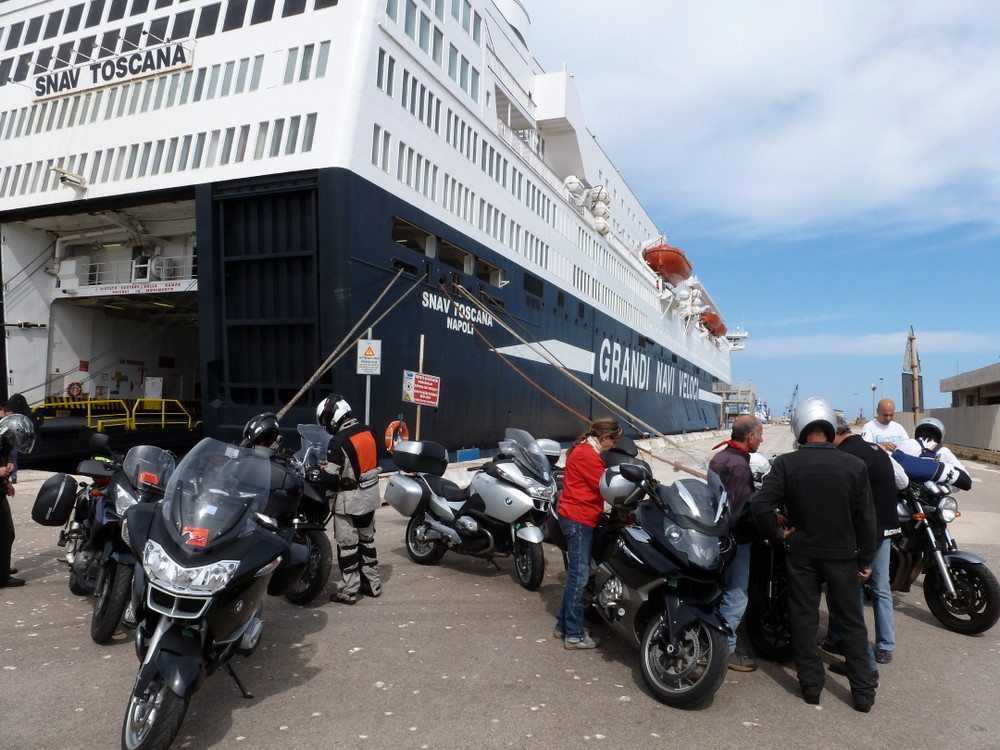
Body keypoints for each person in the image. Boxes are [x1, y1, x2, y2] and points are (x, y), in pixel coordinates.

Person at [751, 398, 877, 711]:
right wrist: (866, 560)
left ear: (800, 428)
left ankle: (811, 688)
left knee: (804, 620)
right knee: (851, 623)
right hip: (843, 555)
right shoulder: (854, 465)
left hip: (802, 555)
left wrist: (778, 533)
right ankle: (863, 694)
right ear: (829, 427)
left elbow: (760, 505)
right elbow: (866, 519)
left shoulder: (786, 464)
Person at [823, 416, 908, 667]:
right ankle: (885, 646)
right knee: (881, 589)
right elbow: (901, 481)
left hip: (861, 533)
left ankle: (853, 647)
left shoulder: (847, 456)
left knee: (851, 591)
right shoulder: (876, 450)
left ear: (834, 434)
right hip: (886, 529)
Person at [554, 417, 623, 650]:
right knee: (579, 577)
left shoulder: (583, 450)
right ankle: (573, 635)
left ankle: (563, 625)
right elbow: (605, 487)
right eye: (613, 442)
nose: (613, 447)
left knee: (576, 574)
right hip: (579, 519)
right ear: (604, 438)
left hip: (574, 516)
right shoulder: (588, 456)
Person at [709, 414, 764, 672]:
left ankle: (711, 639)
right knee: (737, 595)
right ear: (750, 436)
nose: (762, 440)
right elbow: (742, 510)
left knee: (720, 590)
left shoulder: (719, 458)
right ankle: (726, 649)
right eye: (760, 435)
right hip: (737, 539)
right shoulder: (740, 466)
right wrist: (770, 526)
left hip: (716, 535)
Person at [317, 394, 382, 605]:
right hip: (370, 497)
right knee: (367, 541)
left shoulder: (338, 442)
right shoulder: (370, 431)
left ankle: (349, 591)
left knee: (348, 547)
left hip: (349, 502)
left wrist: (321, 471)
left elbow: (331, 477)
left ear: (333, 418)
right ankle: (373, 585)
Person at [0, 414, 36, 588]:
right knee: (4, 533)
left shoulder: (3, 442)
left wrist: (6, 481)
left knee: (6, 533)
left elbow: (4, 459)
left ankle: (2, 570)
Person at [2, 393, 31, 483]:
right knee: (11, 456)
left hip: (11, 438)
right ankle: (11, 477)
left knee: (12, 456)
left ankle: (12, 477)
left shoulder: (11, 418)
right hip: (9, 438)